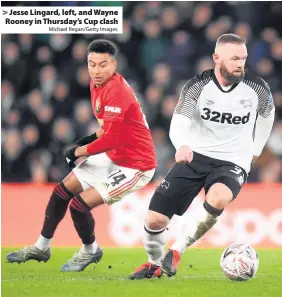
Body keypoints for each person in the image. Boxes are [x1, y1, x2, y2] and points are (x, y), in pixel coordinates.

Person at [129, 33, 275, 280]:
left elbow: (267, 114)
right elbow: (180, 120)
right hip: (194, 156)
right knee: (155, 220)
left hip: (232, 161)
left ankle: (176, 250)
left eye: (244, 58)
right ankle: (154, 264)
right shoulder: (197, 86)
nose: (241, 64)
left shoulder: (257, 88)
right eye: (234, 58)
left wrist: (255, 149)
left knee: (219, 198)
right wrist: (182, 145)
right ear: (216, 58)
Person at [6, 39, 157, 272]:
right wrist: (87, 140)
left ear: (114, 65)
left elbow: (111, 139)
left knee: (79, 205)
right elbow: (108, 129)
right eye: (92, 64)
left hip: (136, 166)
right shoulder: (96, 85)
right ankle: (41, 247)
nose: (96, 70)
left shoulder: (117, 90)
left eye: (103, 65)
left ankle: (90, 250)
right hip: (114, 155)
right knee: (61, 191)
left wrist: (78, 151)